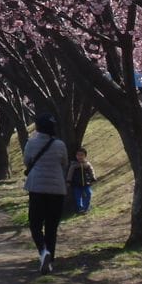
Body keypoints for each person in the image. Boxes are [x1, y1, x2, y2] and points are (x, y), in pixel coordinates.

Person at [23, 113, 69, 274]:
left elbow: (27, 161)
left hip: (37, 188)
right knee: (51, 226)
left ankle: (43, 252)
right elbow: (64, 162)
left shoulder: (31, 143)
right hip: (57, 189)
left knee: (35, 224)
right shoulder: (60, 144)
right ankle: (50, 259)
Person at [68, 147, 97, 214]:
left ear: (85, 156)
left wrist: (93, 178)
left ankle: (86, 208)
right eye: (78, 155)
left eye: (81, 155)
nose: (80, 157)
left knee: (89, 194)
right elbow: (70, 173)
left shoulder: (87, 164)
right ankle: (80, 208)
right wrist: (68, 181)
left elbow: (91, 171)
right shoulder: (74, 165)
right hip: (76, 184)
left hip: (86, 183)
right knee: (78, 196)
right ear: (76, 156)